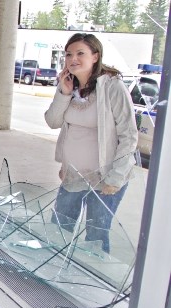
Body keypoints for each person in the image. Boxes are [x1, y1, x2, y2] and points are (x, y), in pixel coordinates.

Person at [44, 33, 138, 253]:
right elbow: (53, 121)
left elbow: (129, 135)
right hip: (74, 174)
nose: (72, 59)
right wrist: (63, 92)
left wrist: (116, 177)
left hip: (105, 178)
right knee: (58, 228)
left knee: (95, 237)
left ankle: (92, 285)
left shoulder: (112, 87)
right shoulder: (70, 87)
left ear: (95, 56)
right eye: (68, 54)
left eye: (80, 53)